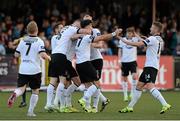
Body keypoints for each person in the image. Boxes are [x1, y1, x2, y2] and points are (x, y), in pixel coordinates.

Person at [119, 22, 171, 114]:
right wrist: (138, 36)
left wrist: (121, 39)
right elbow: (147, 42)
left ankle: (165, 104)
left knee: (150, 86)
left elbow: (139, 44)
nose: (150, 28)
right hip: (152, 66)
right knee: (138, 86)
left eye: (152, 27)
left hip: (150, 66)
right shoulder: (159, 39)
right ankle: (130, 107)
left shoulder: (152, 38)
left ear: (156, 29)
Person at [72, 18, 122, 112]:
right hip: (86, 63)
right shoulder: (87, 37)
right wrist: (114, 33)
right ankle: (84, 99)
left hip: (78, 64)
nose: (92, 27)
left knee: (88, 84)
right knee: (97, 83)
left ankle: (90, 107)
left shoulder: (77, 37)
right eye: (91, 25)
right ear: (87, 27)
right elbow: (101, 38)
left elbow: (72, 38)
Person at [7, 21, 51, 117]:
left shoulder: (23, 40)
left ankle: (15, 94)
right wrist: (49, 58)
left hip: (23, 69)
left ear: (27, 30)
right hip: (34, 69)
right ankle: (30, 112)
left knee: (21, 88)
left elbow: (16, 54)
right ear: (37, 30)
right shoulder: (39, 41)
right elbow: (42, 55)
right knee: (35, 90)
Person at [47, 19, 91, 113]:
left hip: (60, 59)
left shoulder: (61, 34)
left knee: (72, 83)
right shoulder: (71, 30)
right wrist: (84, 33)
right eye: (79, 25)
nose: (79, 27)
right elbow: (72, 37)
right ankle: (59, 104)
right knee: (66, 82)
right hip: (64, 60)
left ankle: (64, 105)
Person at [45, 22, 63, 112]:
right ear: (56, 30)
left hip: (53, 59)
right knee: (62, 82)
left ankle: (49, 104)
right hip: (59, 60)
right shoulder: (56, 37)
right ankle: (57, 103)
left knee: (53, 83)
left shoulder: (53, 38)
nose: (62, 29)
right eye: (60, 28)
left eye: (63, 28)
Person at [118, 27, 138, 102]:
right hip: (124, 62)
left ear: (133, 33)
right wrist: (119, 61)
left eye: (131, 33)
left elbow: (142, 40)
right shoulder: (122, 40)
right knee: (124, 78)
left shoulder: (135, 39)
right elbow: (120, 50)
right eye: (128, 33)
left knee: (134, 76)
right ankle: (125, 95)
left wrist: (135, 33)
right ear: (126, 33)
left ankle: (132, 92)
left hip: (133, 61)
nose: (129, 34)